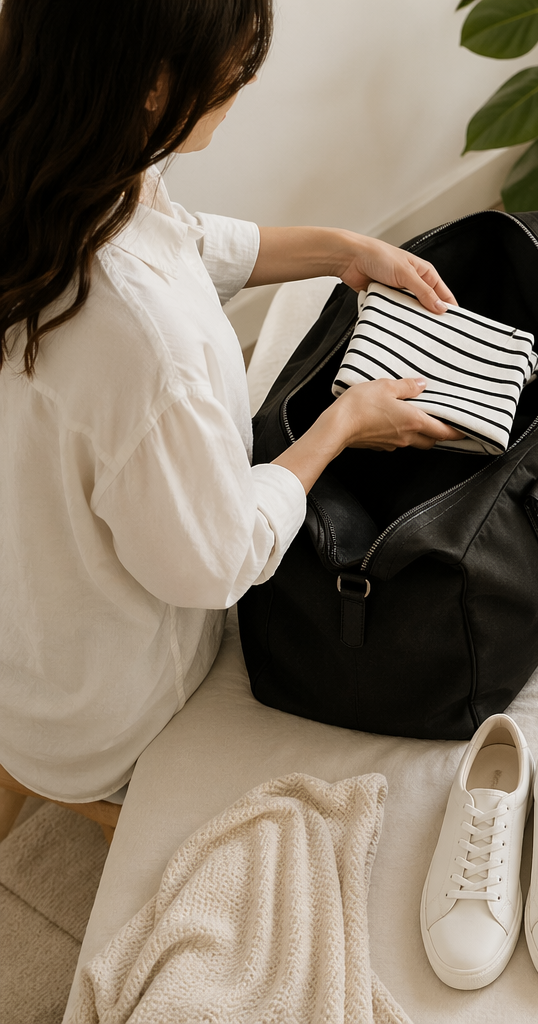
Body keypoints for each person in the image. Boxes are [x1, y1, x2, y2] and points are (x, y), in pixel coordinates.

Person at [0, 0, 464, 803]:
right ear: (152, 82)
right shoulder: (146, 349)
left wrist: (341, 248)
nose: (246, 79)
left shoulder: (47, 164)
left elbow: (174, 239)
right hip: (105, 718)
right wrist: (343, 424)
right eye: (237, 64)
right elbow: (218, 564)